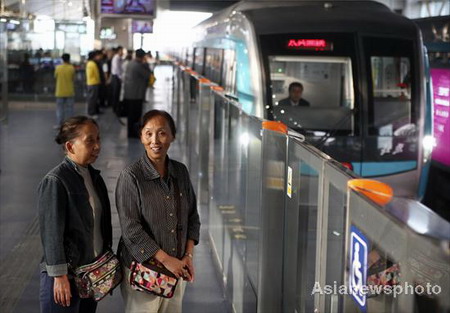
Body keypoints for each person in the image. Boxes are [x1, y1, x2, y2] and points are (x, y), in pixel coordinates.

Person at [116, 110, 201, 313]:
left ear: (172, 136)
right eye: (149, 133)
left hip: (178, 269)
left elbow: (192, 216)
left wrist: (188, 256)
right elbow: (131, 230)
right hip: (144, 272)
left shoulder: (180, 171)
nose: (155, 140)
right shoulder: (131, 177)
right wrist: (166, 260)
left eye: (162, 133)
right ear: (141, 136)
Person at [38, 116, 113, 313]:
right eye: (90, 140)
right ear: (70, 146)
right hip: (65, 279)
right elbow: (51, 233)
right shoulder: (56, 180)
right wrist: (59, 276)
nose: (97, 146)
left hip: (89, 275)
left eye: (98, 139)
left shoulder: (95, 178)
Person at [123, 49, 151, 138]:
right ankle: (133, 134)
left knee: (131, 115)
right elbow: (148, 75)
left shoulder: (130, 63)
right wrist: (146, 64)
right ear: (142, 57)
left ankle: (131, 132)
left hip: (129, 93)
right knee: (135, 115)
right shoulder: (139, 66)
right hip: (136, 94)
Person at [54, 53, 75, 128]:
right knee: (70, 109)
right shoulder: (71, 68)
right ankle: (71, 125)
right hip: (69, 91)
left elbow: (55, 77)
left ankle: (60, 124)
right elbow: (73, 78)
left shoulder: (58, 68)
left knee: (60, 109)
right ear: (69, 59)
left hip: (60, 91)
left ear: (62, 59)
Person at [86, 51, 102, 118]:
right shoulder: (92, 64)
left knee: (93, 99)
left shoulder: (90, 63)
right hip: (93, 83)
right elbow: (94, 74)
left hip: (92, 83)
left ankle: (92, 111)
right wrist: (98, 80)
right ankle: (91, 113)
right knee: (92, 99)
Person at [111, 46, 124, 114]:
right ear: (118, 51)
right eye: (121, 51)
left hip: (117, 77)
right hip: (116, 77)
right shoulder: (116, 58)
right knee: (116, 93)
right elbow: (117, 69)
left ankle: (116, 107)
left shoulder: (119, 58)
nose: (122, 52)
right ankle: (115, 108)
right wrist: (120, 77)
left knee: (117, 93)